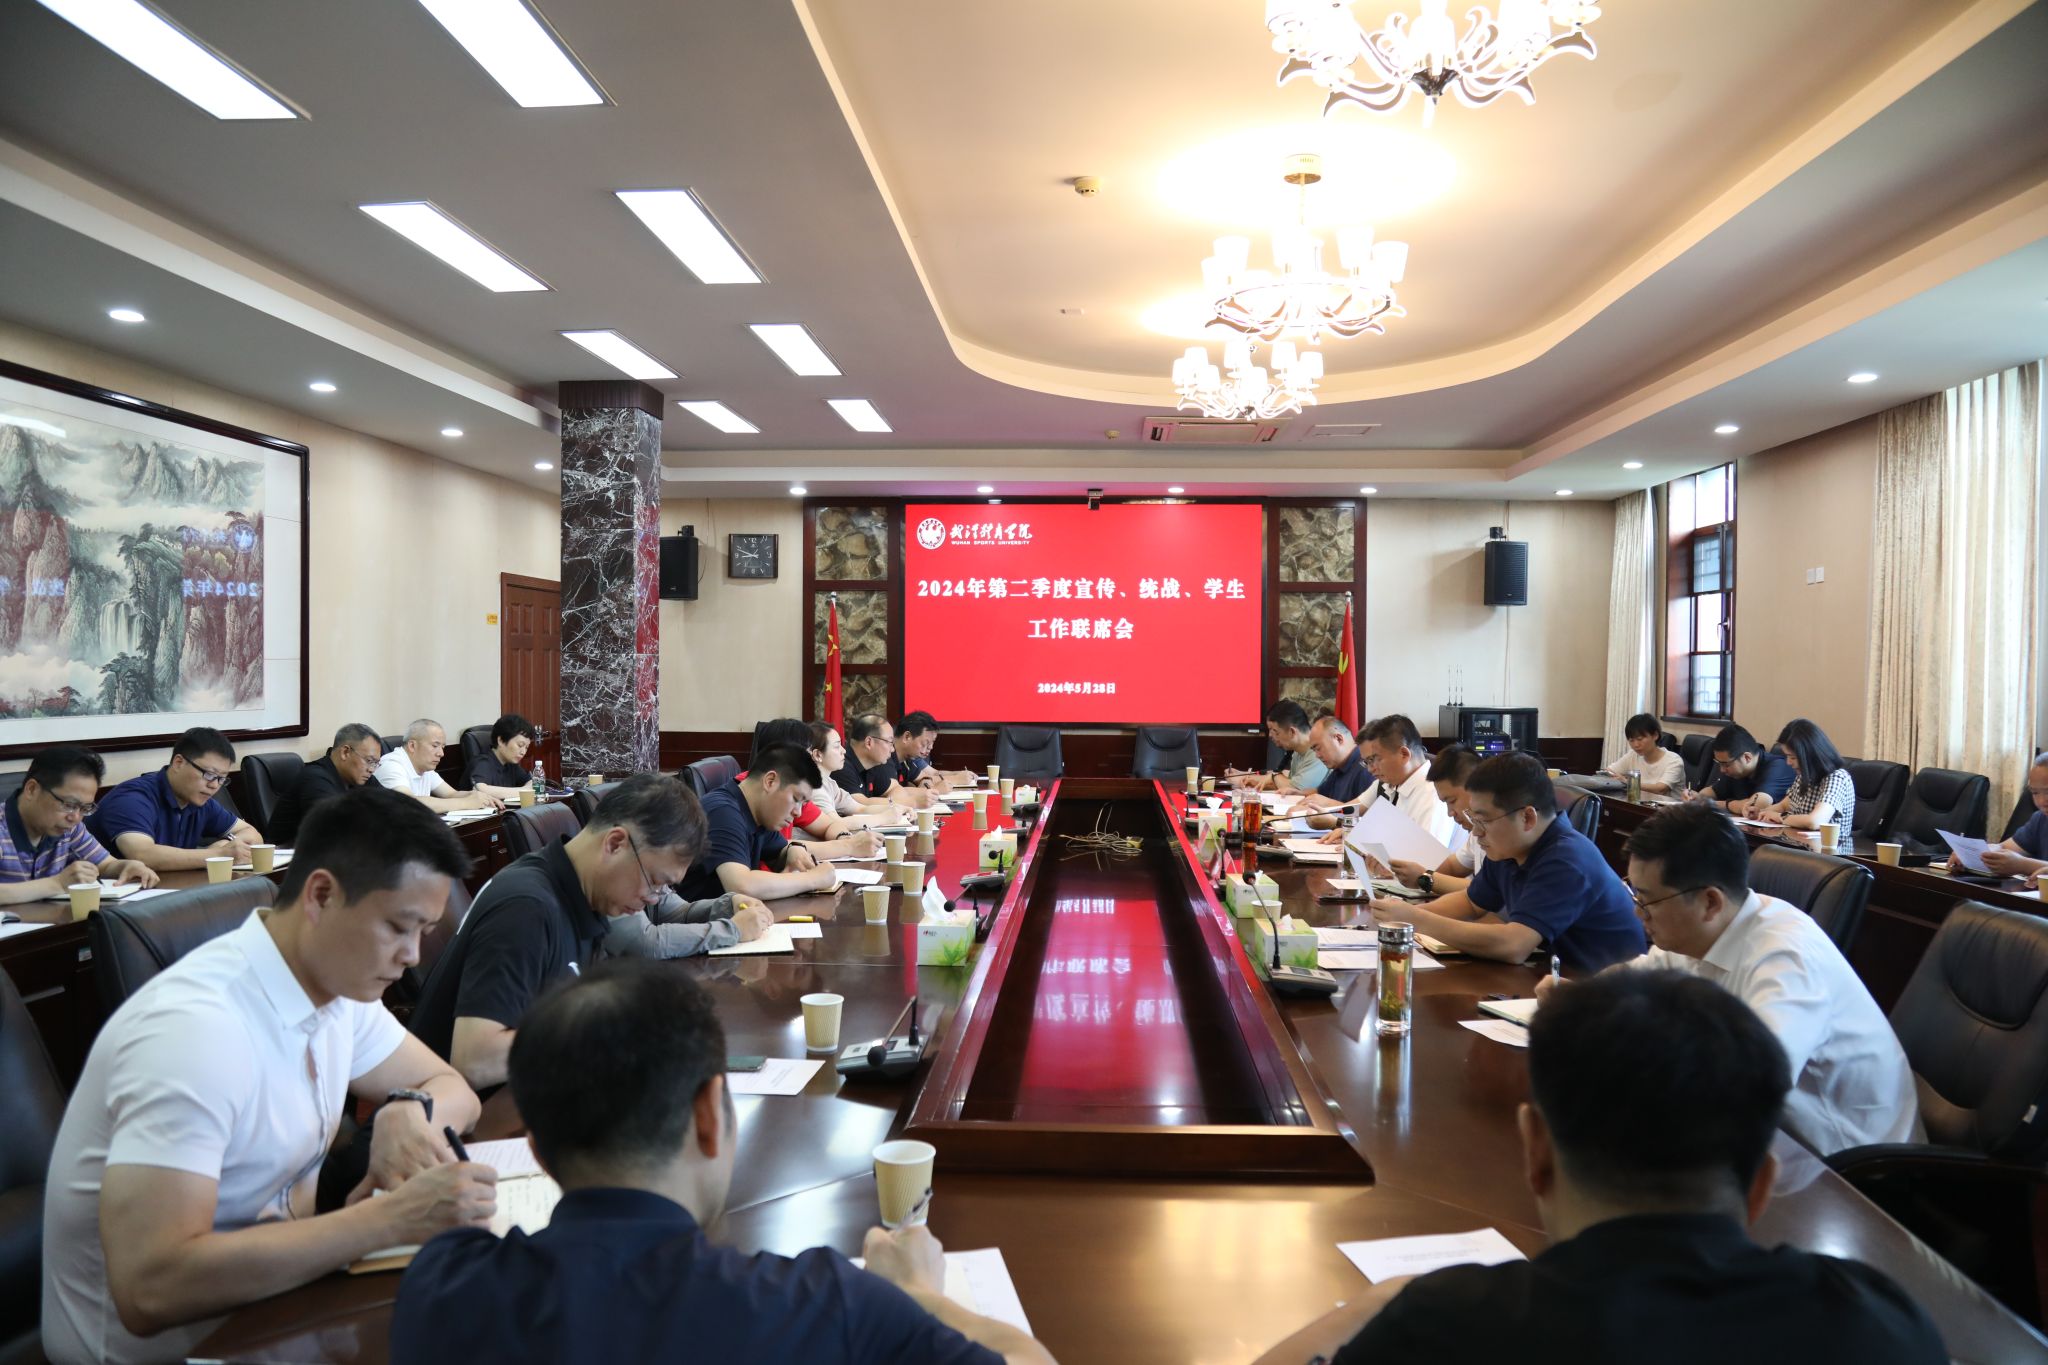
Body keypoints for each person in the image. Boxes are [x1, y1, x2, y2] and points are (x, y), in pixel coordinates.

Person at [1254, 970, 1947, 1365]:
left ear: (1535, 1151)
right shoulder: (1879, 1323)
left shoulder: (1446, 1326)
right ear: (1761, 1182)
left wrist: (1375, 1303)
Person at [390, 961, 1053, 1365]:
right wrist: (919, 1294)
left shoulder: (441, 1287)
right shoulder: (825, 1305)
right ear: (710, 1112)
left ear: (536, 1149)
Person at [41, 786, 495, 1365]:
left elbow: (454, 1090)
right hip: (173, 1348)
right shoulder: (195, 1032)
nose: (411, 956)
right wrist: (388, 1220)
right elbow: (151, 1289)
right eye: (399, 927)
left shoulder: (339, 985)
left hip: (282, 1306)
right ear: (322, 895)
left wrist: (407, 1109)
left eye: (423, 933)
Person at [1541, 802, 1920, 1154]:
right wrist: (1580, 999)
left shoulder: (1786, 957)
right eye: (1634, 894)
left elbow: (1754, 1086)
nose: (1638, 913)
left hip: (1852, 1166)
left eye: (1647, 900)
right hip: (1770, 1139)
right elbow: (1633, 977)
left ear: (1710, 902)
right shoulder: (1696, 932)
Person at [409, 773, 763, 1092]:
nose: (652, 900)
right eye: (655, 882)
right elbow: (475, 1060)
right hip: (470, 1120)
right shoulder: (526, 907)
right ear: (615, 844)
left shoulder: (587, 895)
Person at [1371, 752, 1645, 970]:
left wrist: (1417, 920)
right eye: (1473, 819)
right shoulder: (1508, 847)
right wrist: (1401, 916)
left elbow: (1514, 945)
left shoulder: (1567, 858)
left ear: (1527, 817)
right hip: (1552, 977)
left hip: (1609, 994)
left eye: (1483, 820)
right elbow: (1471, 902)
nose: (1476, 832)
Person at [0, 746, 158, 914]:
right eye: (68, 805)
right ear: (32, 789)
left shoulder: (69, 827)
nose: (75, 817)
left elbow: (105, 865)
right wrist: (57, 884)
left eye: (85, 808)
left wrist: (126, 866)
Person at [676, 745, 840, 904]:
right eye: (796, 799)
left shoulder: (758, 813)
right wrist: (813, 879)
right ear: (770, 781)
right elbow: (741, 886)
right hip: (692, 919)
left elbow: (780, 850)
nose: (798, 812)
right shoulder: (723, 811)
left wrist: (793, 849)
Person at [87, 726, 264, 872]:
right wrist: (219, 854)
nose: (214, 785)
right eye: (210, 775)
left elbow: (252, 833)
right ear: (179, 763)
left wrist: (227, 845)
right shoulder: (133, 799)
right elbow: (142, 855)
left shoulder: (201, 801)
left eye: (221, 779)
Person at [748, 719, 885, 858]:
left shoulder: (795, 792)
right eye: (807, 756)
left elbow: (830, 825)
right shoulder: (741, 805)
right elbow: (781, 846)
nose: (797, 812)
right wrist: (849, 846)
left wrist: (844, 838)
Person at [1377, 745, 1482, 897]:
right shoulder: (1476, 832)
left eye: (1452, 801)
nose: (1450, 813)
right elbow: (1453, 867)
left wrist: (1424, 878)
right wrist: (1399, 868)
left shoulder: (1499, 832)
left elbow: (1486, 892)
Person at [268, 723, 382, 846]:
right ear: (345, 752)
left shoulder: (362, 777)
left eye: (375, 763)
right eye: (369, 761)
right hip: (288, 854)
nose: (371, 769)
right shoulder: (315, 779)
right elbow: (334, 829)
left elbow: (392, 807)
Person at [1358, 714, 1459, 846]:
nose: (1370, 769)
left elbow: (1428, 856)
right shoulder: (1399, 785)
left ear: (1404, 754)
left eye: (1374, 759)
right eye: (1367, 762)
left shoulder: (1432, 793)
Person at [1748, 719, 1855, 843]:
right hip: (1798, 845)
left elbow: (1815, 821)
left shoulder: (1836, 778)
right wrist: (1760, 813)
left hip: (1827, 851)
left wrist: (1780, 817)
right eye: (1787, 756)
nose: (1788, 762)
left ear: (1810, 754)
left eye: (1793, 757)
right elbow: (1784, 805)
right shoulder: (1803, 775)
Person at [375, 719, 501, 814]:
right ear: (412, 746)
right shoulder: (391, 765)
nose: (441, 753)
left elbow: (451, 794)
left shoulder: (425, 767)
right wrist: (466, 802)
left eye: (443, 747)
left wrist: (479, 797)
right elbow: (409, 803)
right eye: (435, 746)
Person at [1955, 751, 2048, 877]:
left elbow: (2020, 863)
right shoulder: (2040, 819)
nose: (2041, 801)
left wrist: (2023, 865)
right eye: (2035, 793)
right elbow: (2003, 847)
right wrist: (1971, 852)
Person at [809, 721, 912, 828]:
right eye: (836, 746)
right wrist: (884, 818)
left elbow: (861, 808)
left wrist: (898, 808)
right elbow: (835, 824)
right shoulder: (814, 788)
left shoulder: (830, 783)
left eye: (841, 745)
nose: (843, 751)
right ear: (817, 755)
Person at [836, 713, 934, 808]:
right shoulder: (841, 765)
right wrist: (913, 802)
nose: (892, 749)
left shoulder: (873, 763)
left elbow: (895, 788)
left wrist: (897, 801)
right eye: (889, 742)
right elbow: (859, 804)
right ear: (869, 742)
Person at [1231, 700, 1328, 794]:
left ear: (1292, 732)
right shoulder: (1298, 751)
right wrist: (1252, 781)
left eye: (1274, 731)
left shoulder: (1318, 754)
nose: (1270, 735)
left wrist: (1274, 776)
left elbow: (1296, 790)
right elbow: (1287, 784)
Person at [1707, 724, 1795, 814]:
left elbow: (1754, 807)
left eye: (1726, 764)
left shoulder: (1779, 767)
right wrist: (1699, 799)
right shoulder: (1735, 771)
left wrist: (1723, 804)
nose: (1722, 770)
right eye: (1719, 763)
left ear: (1747, 758)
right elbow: (1712, 791)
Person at [1607, 713, 1685, 793]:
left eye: (1640, 739)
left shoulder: (1674, 760)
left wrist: (1628, 782)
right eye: (1631, 740)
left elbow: (1660, 789)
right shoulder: (1632, 755)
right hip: (1638, 800)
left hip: (1664, 801)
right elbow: (1609, 772)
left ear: (1655, 735)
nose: (1636, 745)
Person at [467, 714, 539, 795]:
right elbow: (479, 790)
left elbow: (532, 781)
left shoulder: (511, 764)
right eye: (520, 745)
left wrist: (526, 789)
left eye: (526, 747)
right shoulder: (482, 763)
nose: (523, 752)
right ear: (501, 741)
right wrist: (523, 791)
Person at [903, 711, 978, 788]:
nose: (930, 747)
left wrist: (960, 774)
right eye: (926, 742)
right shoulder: (903, 757)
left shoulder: (909, 759)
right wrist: (957, 779)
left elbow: (932, 774)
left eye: (932, 742)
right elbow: (898, 790)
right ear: (907, 737)